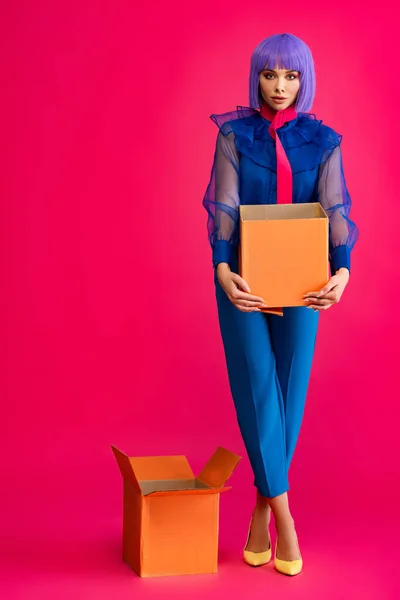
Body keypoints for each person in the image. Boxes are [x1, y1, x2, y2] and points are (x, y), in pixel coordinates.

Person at [202, 33, 359, 576]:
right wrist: (224, 271)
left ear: (304, 79)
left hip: (303, 284)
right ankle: (287, 520)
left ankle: (259, 511)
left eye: (291, 76)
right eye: (270, 75)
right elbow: (222, 207)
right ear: (257, 78)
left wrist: (341, 272)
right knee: (257, 391)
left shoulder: (324, 141)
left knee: (288, 396)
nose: (280, 87)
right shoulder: (232, 135)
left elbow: (335, 210)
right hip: (243, 282)